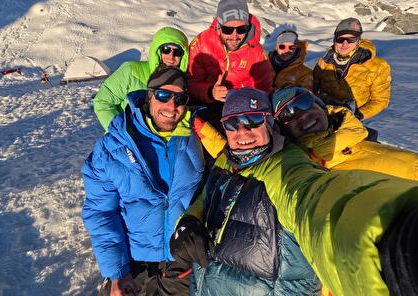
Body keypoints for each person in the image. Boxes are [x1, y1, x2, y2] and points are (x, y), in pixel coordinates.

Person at [170, 87, 418, 296]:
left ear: (269, 124)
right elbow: (206, 196)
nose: (242, 132)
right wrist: (188, 221)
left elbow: (313, 200)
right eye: (233, 124)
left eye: (253, 121)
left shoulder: (285, 166)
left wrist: (389, 242)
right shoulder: (228, 159)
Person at [82, 66, 206, 296]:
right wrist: (117, 272)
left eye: (180, 98)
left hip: (181, 262)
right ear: (149, 96)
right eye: (162, 95)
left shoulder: (198, 138)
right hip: (132, 264)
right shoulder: (112, 148)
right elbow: (100, 212)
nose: (172, 105)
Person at [271, 86, 418, 180]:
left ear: (322, 107)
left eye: (303, 102)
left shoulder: (410, 166)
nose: (301, 115)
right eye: (286, 115)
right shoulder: (289, 172)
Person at [93, 26, 189, 131]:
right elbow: (102, 101)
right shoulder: (131, 70)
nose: (171, 56)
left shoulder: (183, 83)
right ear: (157, 51)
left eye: (177, 52)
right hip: (127, 142)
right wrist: (121, 132)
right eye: (166, 50)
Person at [187, 0, 274, 106]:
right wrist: (209, 92)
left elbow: (263, 92)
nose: (235, 36)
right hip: (205, 103)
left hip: (240, 108)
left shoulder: (257, 53)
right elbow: (191, 83)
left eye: (241, 29)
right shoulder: (202, 43)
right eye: (227, 29)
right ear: (219, 28)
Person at [313, 17, 391, 121]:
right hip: (323, 116)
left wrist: (359, 114)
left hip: (352, 119)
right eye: (340, 39)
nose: (345, 44)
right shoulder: (324, 62)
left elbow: (380, 100)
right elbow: (311, 87)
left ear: (358, 41)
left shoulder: (378, 66)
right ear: (334, 40)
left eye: (351, 40)